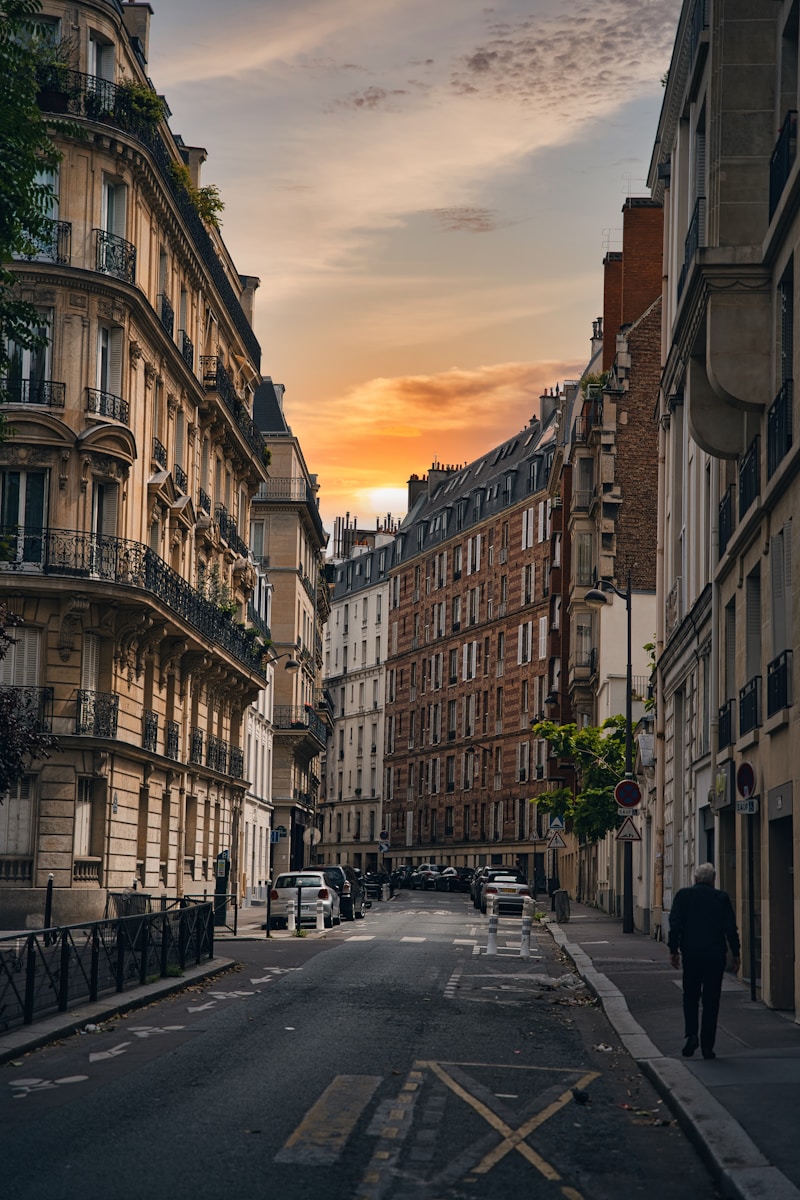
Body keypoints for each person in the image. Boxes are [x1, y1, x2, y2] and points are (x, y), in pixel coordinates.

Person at [668, 863, 741, 1060]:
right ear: (712, 880)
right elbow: (730, 928)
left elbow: (675, 924)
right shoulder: (721, 898)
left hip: (691, 954)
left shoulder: (683, 896)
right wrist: (736, 953)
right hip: (715, 955)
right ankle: (708, 1046)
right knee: (711, 1000)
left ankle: (692, 1034)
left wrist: (673, 950)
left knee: (690, 996)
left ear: (695, 878)